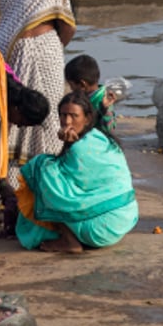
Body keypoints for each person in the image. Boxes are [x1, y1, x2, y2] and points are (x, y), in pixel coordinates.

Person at [0, 0, 76, 188]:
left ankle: (46, 180)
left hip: (45, 54)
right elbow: (9, 19)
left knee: (48, 114)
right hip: (14, 60)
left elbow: (67, 24)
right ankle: (13, 187)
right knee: (14, 116)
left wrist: (47, 46)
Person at [15, 90, 139, 253]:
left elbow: (59, 183)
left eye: (74, 116)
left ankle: (69, 240)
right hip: (124, 219)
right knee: (50, 171)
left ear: (87, 119)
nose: (67, 121)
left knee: (40, 167)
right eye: (63, 115)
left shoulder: (80, 147)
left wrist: (68, 147)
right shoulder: (99, 137)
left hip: (98, 229)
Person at [65, 53, 118, 132]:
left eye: (71, 85)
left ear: (82, 85)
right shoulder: (86, 97)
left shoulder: (103, 101)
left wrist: (105, 110)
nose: (71, 89)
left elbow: (109, 130)